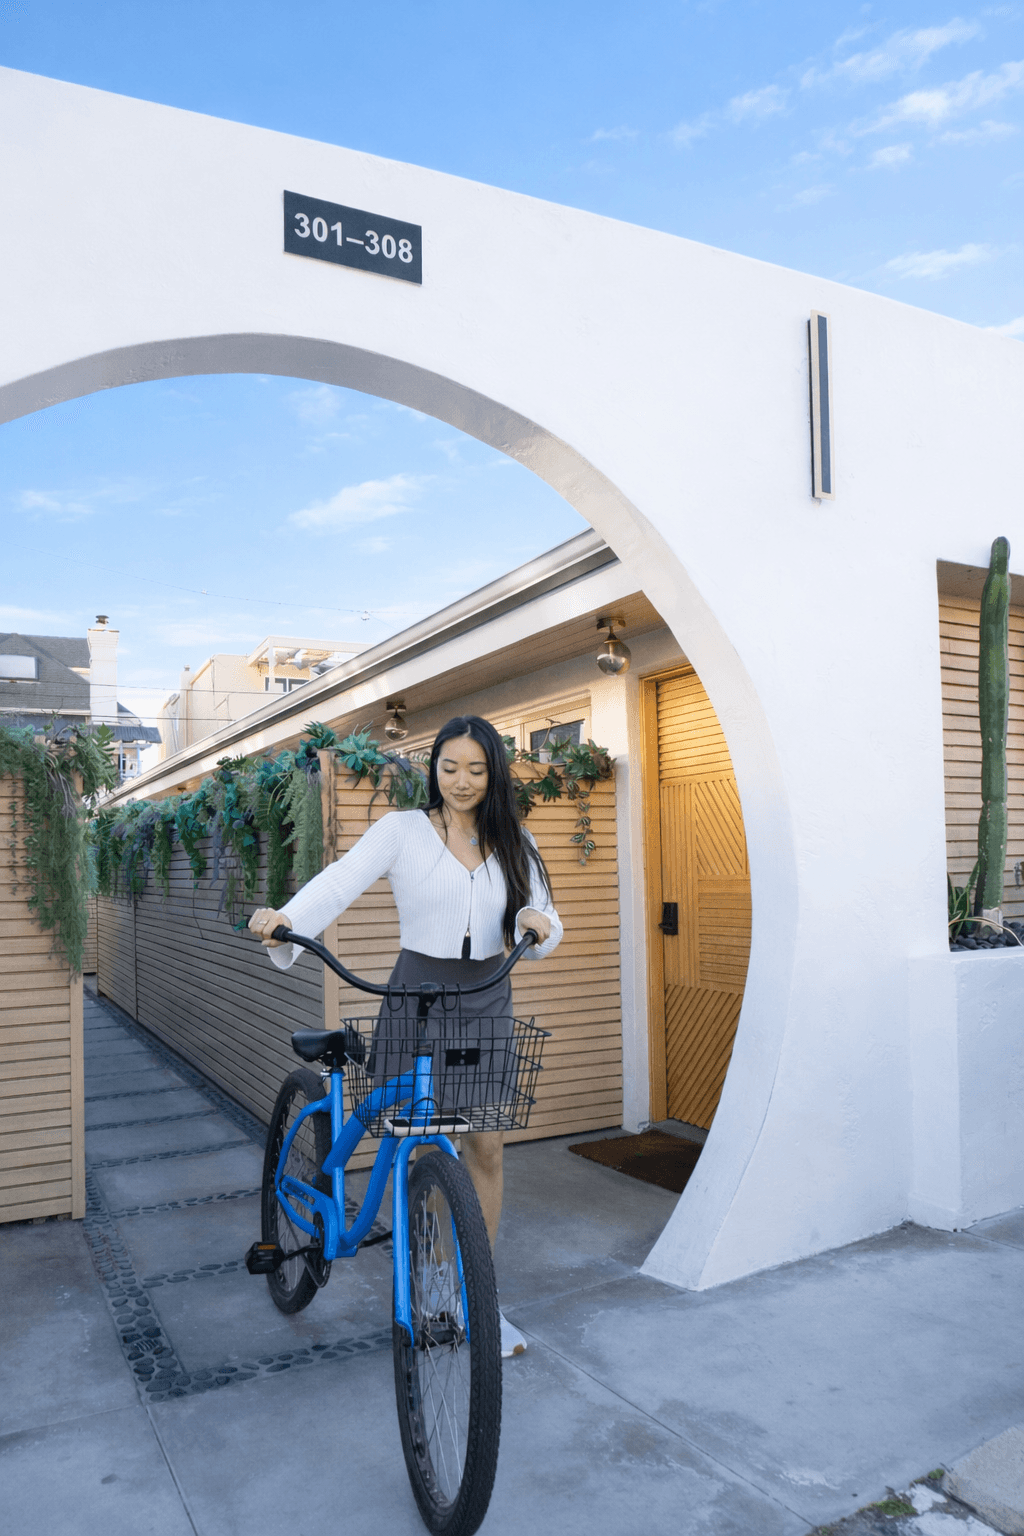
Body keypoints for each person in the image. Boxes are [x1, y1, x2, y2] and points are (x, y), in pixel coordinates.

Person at [248, 714, 562, 1358]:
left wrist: (536, 920)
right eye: (450, 767)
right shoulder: (404, 830)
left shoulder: (514, 841)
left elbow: (545, 918)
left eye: (477, 769)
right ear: (434, 769)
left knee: (486, 1151)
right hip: (415, 997)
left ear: (494, 772)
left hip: (487, 999)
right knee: (422, 1149)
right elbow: (341, 878)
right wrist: (286, 917)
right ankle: (430, 1289)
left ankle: (472, 1298)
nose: (463, 781)